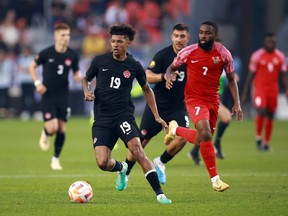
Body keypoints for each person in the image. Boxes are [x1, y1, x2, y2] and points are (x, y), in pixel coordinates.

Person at [82, 23, 172, 204]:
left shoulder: (134, 66)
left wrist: (156, 116)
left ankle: (160, 194)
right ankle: (122, 168)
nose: (115, 44)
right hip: (102, 119)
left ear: (128, 43)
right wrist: (87, 91)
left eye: (120, 41)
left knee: (138, 151)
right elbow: (86, 78)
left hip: (123, 116)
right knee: (102, 163)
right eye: (113, 41)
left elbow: (147, 89)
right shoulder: (100, 61)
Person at [165, 21, 243, 192]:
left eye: (207, 33)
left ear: (214, 36)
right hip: (194, 99)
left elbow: (231, 79)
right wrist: (169, 76)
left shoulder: (223, 54)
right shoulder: (189, 51)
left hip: (213, 100)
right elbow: (171, 68)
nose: (203, 36)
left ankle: (176, 130)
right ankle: (215, 180)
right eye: (201, 32)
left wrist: (237, 103)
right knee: (206, 134)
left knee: (202, 139)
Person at [123, 23, 190, 185]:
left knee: (184, 136)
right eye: (176, 36)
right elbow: (146, 76)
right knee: (139, 144)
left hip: (178, 107)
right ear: (171, 37)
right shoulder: (163, 55)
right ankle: (125, 172)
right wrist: (163, 77)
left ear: (188, 38)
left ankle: (161, 162)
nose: (179, 39)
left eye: (182, 36)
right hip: (157, 107)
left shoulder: (192, 57)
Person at [29, 23, 82, 170]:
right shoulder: (46, 53)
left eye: (68, 35)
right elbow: (32, 66)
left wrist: (78, 77)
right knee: (52, 128)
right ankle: (45, 133)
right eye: (63, 35)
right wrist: (37, 83)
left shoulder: (72, 55)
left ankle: (55, 159)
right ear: (55, 36)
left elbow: (76, 72)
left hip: (64, 95)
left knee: (61, 128)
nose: (66, 38)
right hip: (48, 94)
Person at [188, 38, 241, 164]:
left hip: (216, 99)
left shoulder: (222, 62)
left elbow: (234, 78)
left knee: (209, 130)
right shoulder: (208, 64)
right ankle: (214, 145)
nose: (219, 51)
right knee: (225, 119)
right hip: (206, 99)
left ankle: (195, 151)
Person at [241, 33, 288, 151]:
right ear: (265, 43)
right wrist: (245, 92)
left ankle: (266, 143)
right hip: (260, 89)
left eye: (272, 42)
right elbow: (251, 75)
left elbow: (284, 76)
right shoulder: (257, 56)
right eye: (268, 42)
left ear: (275, 43)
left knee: (270, 115)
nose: (270, 44)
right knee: (261, 110)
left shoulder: (280, 57)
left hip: (273, 90)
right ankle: (258, 139)